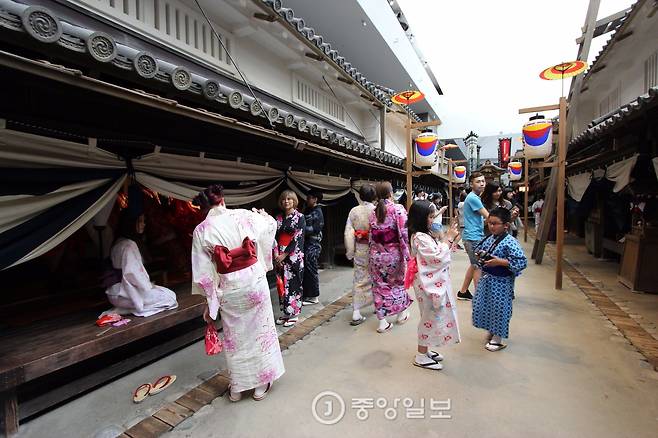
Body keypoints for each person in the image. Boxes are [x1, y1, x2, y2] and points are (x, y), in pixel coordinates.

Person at [191, 185, 283, 402]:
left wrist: (210, 302)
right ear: (223, 200)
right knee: (261, 332)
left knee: (236, 337)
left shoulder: (201, 230)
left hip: (229, 287)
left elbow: (203, 274)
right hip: (253, 281)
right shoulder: (244, 216)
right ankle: (261, 384)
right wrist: (264, 216)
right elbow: (270, 226)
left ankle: (237, 388)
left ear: (205, 207)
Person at [407, 200, 461, 371]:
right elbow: (437, 257)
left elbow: (439, 254)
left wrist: (448, 239)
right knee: (429, 316)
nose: (433, 219)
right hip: (426, 284)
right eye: (430, 217)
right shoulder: (420, 237)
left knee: (431, 315)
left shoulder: (423, 235)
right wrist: (449, 238)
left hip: (428, 281)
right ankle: (421, 355)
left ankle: (425, 349)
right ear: (421, 218)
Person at [471, 207, 528, 351]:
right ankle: (492, 331)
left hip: (502, 282)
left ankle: (498, 338)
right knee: (486, 306)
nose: (491, 226)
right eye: (490, 223)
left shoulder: (510, 242)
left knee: (500, 309)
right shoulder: (489, 238)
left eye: (495, 223)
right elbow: (479, 250)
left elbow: (522, 261)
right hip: (488, 279)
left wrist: (500, 262)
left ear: (506, 226)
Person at [104, 211, 178, 317]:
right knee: (170, 297)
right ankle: (128, 309)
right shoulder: (128, 245)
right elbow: (132, 274)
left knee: (165, 292)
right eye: (140, 221)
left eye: (144, 221)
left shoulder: (119, 242)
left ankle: (126, 307)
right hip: (124, 294)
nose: (143, 224)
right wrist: (147, 286)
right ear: (131, 224)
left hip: (114, 293)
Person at [368, 181, 413, 333]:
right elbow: (403, 234)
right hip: (393, 255)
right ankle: (401, 314)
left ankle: (382, 321)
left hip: (376, 255)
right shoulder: (397, 209)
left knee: (379, 286)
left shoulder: (373, 212)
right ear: (391, 193)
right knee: (397, 284)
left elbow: (371, 236)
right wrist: (408, 255)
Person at [344, 184, 377, 325]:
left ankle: (356, 312)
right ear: (374, 196)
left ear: (360, 196)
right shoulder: (376, 211)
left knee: (359, 279)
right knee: (376, 278)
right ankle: (377, 305)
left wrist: (350, 251)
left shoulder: (354, 211)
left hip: (361, 249)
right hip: (376, 249)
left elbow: (348, 233)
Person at [274, 190, 306, 327]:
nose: (286, 201)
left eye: (289, 199)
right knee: (282, 285)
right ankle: (286, 313)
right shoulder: (278, 218)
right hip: (279, 256)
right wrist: (276, 254)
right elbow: (273, 238)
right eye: (283, 199)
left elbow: (297, 238)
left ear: (294, 200)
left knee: (293, 285)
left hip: (293, 256)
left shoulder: (300, 217)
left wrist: (284, 255)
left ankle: (294, 313)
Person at [456, 172, 489, 301]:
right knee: (478, 266)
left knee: (474, 264)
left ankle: (463, 291)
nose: (481, 183)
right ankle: (479, 297)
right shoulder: (473, 198)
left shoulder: (474, 197)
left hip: (473, 235)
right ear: (471, 184)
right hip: (473, 237)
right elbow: (488, 216)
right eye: (478, 181)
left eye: (483, 181)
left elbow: (482, 220)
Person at [302, 189, 324, 306]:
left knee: (311, 269)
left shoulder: (318, 212)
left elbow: (315, 229)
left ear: (315, 199)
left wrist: (301, 229)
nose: (307, 199)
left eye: (309, 197)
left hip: (313, 244)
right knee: (307, 269)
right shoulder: (309, 210)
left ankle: (314, 296)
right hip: (307, 243)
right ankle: (308, 294)